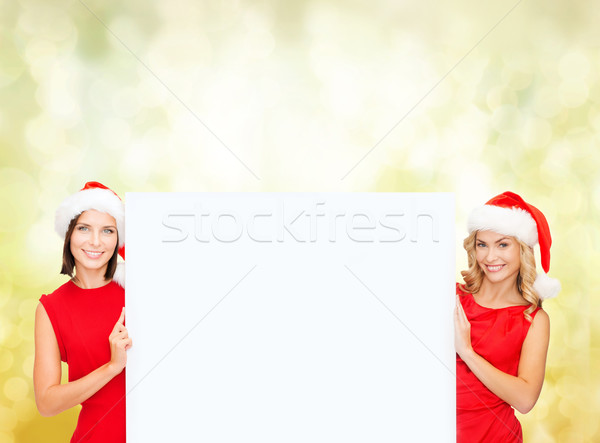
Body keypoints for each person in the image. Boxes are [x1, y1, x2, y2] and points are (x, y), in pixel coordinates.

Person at [455, 191, 560, 442]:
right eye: (482, 244)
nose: (490, 257)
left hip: (495, 436)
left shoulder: (533, 319)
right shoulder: (452, 298)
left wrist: (466, 351)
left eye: (503, 244)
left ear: (522, 249)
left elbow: (525, 400)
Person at [33, 181, 131, 442]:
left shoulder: (139, 293)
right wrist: (112, 367)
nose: (96, 241)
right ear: (69, 234)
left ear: (118, 239)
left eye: (108, 231)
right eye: (84, 228)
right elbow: (46, 403)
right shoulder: (51, 309)